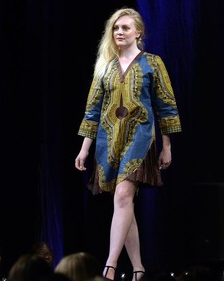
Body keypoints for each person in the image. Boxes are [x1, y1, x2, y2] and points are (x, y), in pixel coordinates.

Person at [74, 7, 182, 281]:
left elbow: (166, 105)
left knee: (123, 197)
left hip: (141, 139)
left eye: (125, 27)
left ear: (139, 32)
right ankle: (138, 268)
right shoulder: (105, 67)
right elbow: (93, 109)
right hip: (108, 143)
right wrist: (84, 149)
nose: (119, 32)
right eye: (115, 28)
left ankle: (109, 266)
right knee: (125, 203)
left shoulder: (152, 63)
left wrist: (166, 145)